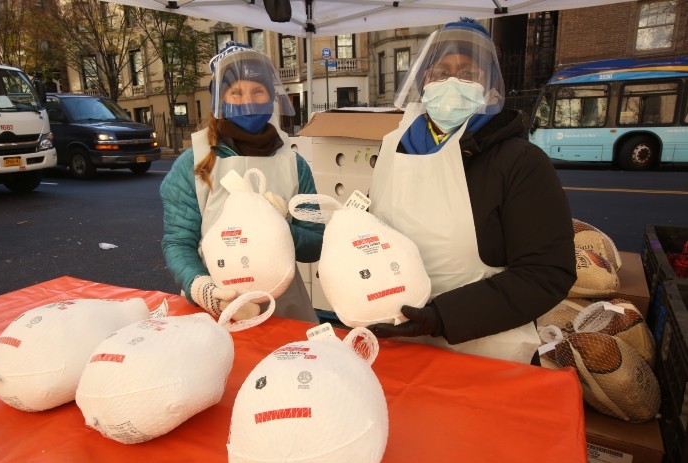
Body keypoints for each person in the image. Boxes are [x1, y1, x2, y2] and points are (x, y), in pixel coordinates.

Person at [367, 19, 576, 364]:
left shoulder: (520, 162)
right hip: (398, 342)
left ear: (489, 86)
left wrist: (442, 317)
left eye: (467, 73)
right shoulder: (393, 149)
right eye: (440, 73)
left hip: (484, 353)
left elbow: (546, 273)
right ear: (424, 83)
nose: (452, 83)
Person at [160, 42, 323, 323]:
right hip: (216, 303)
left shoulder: (294, 164)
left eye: (257, 91)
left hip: (284, 306)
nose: (248, 100)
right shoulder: (194, 163)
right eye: (236, 92)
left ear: (271, 97)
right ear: (219, 101)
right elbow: (178, 242)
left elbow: (315, 243)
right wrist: (201, 287)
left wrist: (282, 228)